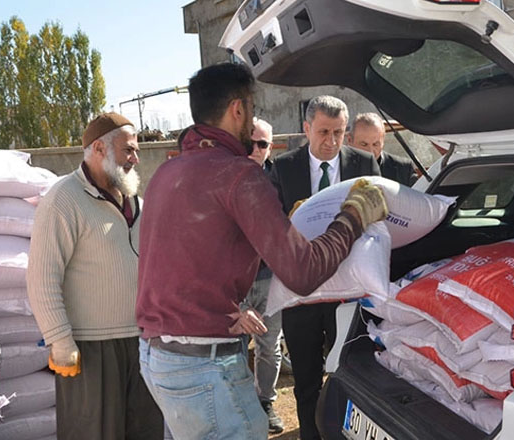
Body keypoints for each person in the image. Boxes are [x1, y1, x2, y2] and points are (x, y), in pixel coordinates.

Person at [136, 63, 388, 440]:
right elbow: (302, 272)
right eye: (251, 110)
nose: (252, 121)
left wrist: (223, 309)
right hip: (202, 365)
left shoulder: (167, 174)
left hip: (157, 356)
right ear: (238, 109)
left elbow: (178, 263)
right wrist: (353, 215)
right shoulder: (237, 174)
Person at [27, 112, 163, 440]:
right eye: (128, 150)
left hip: (142, 344)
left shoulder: (138, 204)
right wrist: (60, 341)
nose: (136, 157)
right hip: (90, 350)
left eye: (137, 151)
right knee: (93, 433)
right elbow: (42, 277)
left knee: (146, 431)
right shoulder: (64, 199)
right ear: (99, 149)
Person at [268, 95, 380, 440]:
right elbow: (270, 226)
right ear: (306, 129)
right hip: (302, 294)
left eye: (339, 133)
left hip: (349, 293)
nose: (331, 141)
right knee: (305, 378)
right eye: (323, 132)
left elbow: (378, 217)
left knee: (350, 373)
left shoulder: (363, 163)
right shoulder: (282, 167)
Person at [242, 117, 284, 434]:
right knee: (235, 347)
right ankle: (241, 405)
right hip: (236, 281)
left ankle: (265, 402)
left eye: (263, 144)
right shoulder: (223, 178)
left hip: (272, 279)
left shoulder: (281, 179)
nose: (255, 150)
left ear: (270, 147)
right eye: (250, 143)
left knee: (269, 346)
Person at [347, 112, 417, 186]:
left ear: (383, 141)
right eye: (364, 144)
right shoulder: (337, 168)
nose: (370, 151)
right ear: (349, 140)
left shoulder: (403, 170)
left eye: (375, 144)